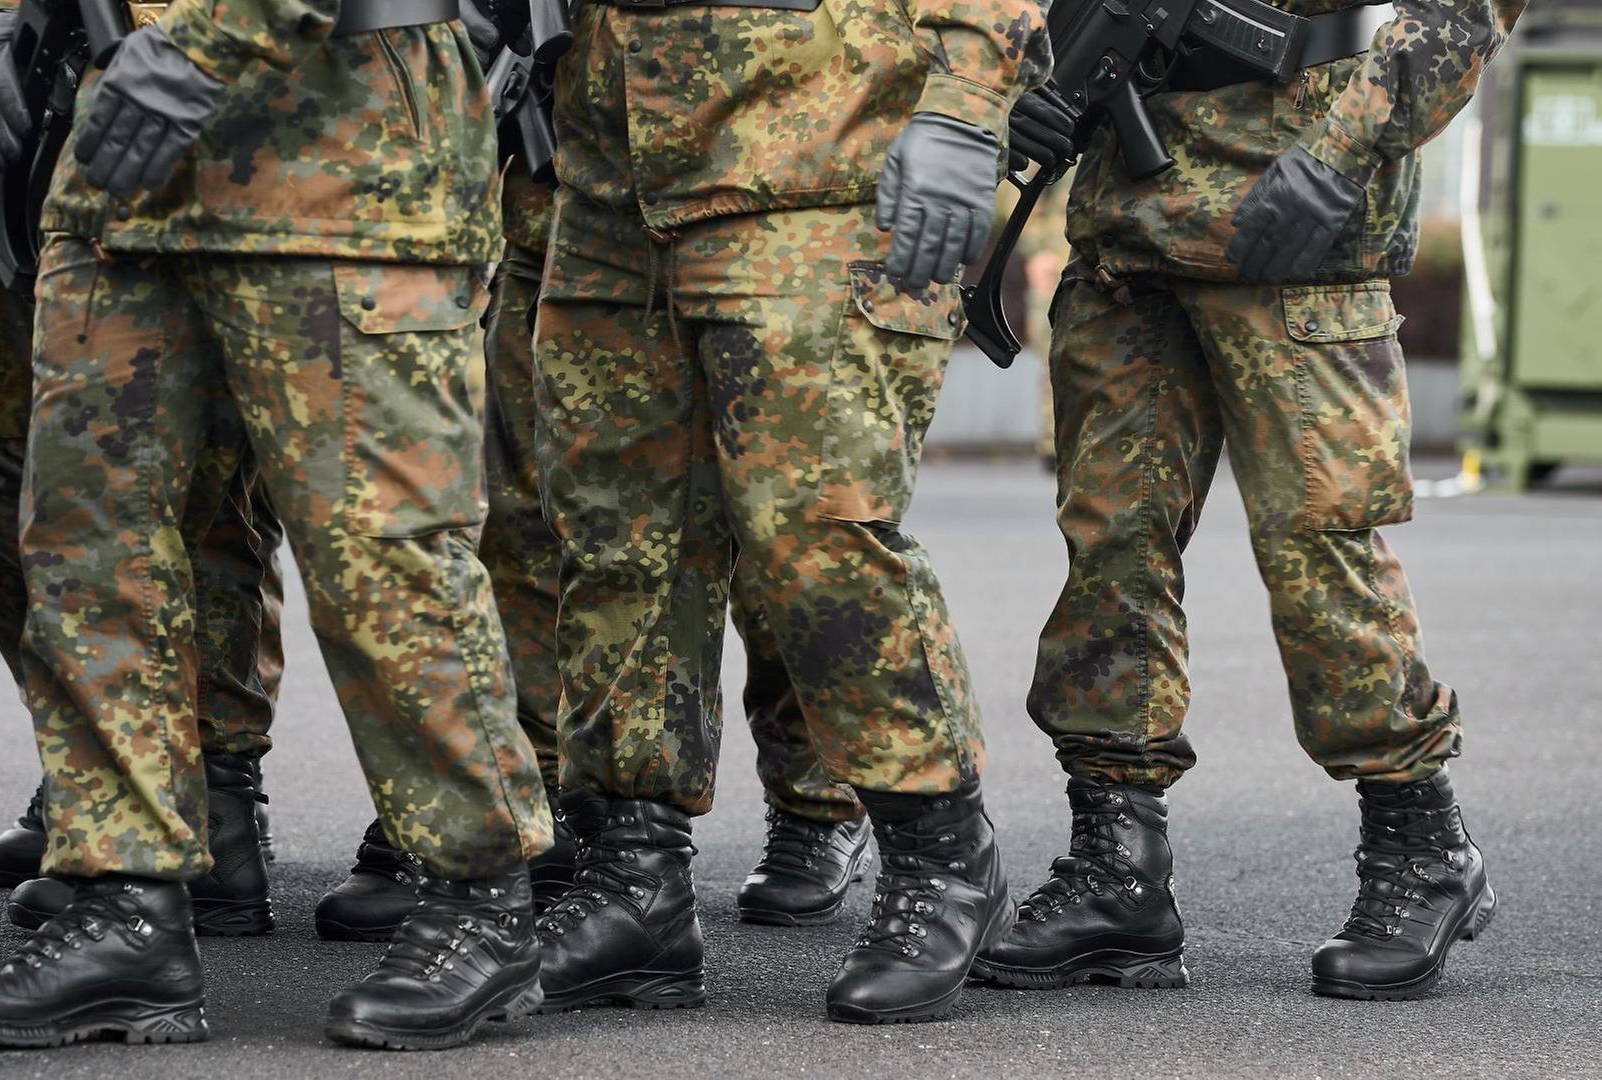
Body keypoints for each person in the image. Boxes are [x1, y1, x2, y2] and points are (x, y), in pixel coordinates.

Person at [0, 0, 554, 1052]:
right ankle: (123, 905)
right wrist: (9, 17)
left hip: (338, 153)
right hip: (123, 165)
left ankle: (477, 895)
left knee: (381, 551)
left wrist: (206, 37)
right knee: (87, 544)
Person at [973, 0, 1524, 1000]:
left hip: (1296, 214)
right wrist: (1023, 83)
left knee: (1320, 545)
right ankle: (1118, 870)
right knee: (1110, 549)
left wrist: (1342, 152)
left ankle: (1420, 847)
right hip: (1129, 230)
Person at [529, 0, 1045, 1024]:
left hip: (818, 162)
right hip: (613, 179)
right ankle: (634, 877)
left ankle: (942, 858)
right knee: (620, 544)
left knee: (817, 537)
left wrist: (964, 102)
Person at [313, 96, 874, 944]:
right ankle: (538, 792)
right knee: (537, 521)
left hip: (758, 198)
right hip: (564, 213)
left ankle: (817, 798)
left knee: (777, 531)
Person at [0, 0, 286, 937]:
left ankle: (212, 788)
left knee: (184, 487)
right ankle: (97, 778)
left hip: (136, 81)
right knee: (16, 496)